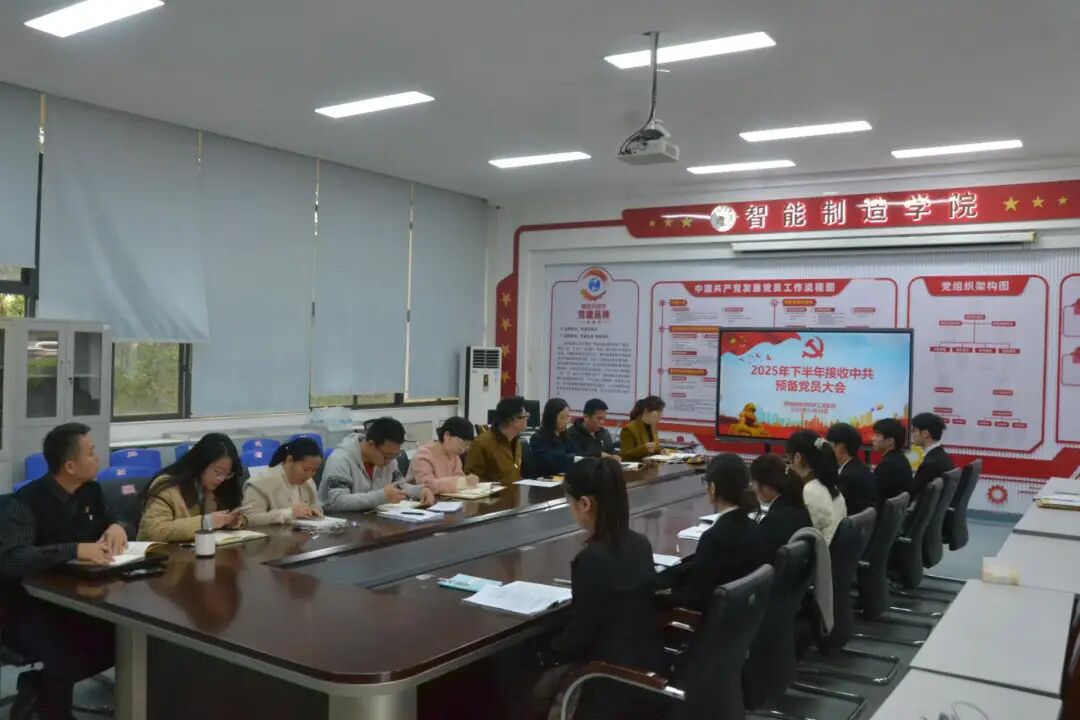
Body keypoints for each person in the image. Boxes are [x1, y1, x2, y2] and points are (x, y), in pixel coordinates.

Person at [0, 423, 121, 720]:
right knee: (66, 649)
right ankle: (53, 709)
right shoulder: (26, 502)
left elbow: (113, 519)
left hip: (80, 596)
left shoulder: (91, 491)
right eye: (91, 453)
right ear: (70, 466)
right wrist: (73, 549)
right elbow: (13, 558)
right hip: (27, 605)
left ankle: (39, 686)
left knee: (122, 639)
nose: (98, 458)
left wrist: (117, 526)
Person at [533, 458, 665, 720]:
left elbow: (579, 637)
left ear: (585, 504)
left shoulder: (591, 560)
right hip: (648, 667)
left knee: (529, 683)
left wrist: (543, 655)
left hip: (608, 678)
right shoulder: (640, 543)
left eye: (570, 503)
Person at [675, 454, 765, 613]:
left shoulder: (713, 538)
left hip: (712, 621)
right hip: (742, 618)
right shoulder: (754, 526)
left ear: (712, 488)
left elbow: (695, 599)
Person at [138, 433, 247, 542]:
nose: (221, 479)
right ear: (201, 464)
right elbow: (156, 531)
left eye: (227, 474)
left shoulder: (222, 485)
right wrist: (206, 522)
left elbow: (233, 515)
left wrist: (231, 521)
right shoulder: (168, 486)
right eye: (217, 472)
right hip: (160, 551)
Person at [319, 417, 434, 511]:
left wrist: (421, 491)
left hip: (372, 519)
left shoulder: (389, 459)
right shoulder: (340, 459)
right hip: (340, 524)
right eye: (386, 456)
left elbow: (400, 486)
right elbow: (337, 501)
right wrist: (381, 497)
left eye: (394, 456)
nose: (389, 461)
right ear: (371, 445)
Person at [242, 437, 323, 526]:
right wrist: (289, 513)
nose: (309, 475)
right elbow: (249, 518)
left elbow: (316, 505)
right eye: (305, 469)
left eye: (314, 470)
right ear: (289, 460)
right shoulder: (260, 482)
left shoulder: (308, 483)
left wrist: (314, 510)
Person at [786, 430, 847, 544]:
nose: (789, 465)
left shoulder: (810, 490)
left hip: (822, 553)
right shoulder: (830, 485)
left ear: (797, 457)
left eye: (788, 459)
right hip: (835, 551)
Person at [750, 453, 812, 561]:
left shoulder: (771, 523)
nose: (752, 487)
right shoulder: (801, 510)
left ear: (765, 486)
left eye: (753, 482)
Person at [405, 416, 479, 494]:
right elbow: (425, 485)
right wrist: (462, 482)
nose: (463, 450)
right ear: (447, 436)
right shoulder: (424, 454)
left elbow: (459, 478)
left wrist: (468, 481)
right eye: (462, 444)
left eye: (467, 446)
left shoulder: (454, 456)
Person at [464, 396, 528, 485]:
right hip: (492, 493)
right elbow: (471, 477)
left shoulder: (516, 440)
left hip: (514, 491)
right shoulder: (482, 443)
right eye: (525, 416)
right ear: (515, 421)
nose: (527, 419)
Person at [826, 422, 877, 516]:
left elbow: (833, 511)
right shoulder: (862, 467)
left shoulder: (847, 478)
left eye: (829, 445)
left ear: (840, 447)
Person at [528, 398, 579, 476]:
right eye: (562, 418)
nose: (566, 421)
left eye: (568, 417)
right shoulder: (538, 438)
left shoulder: (566, 436)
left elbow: (574, 452)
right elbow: (548, 461)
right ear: (551, 418)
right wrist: (572, 459)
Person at [910, 412, 954, 501]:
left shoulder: (931, 464)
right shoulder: (940, 456)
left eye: (914, 430)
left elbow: (911, 495)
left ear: (925, 433)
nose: (912, 434)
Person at [871, 418, 913, 506]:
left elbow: (873, 496)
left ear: (890, 441)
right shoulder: (900, 458)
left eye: (877, 435)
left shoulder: (887, 466)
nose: (872, 438)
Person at [619, 396, 665, 462]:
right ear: (646, 410)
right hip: (637, 467)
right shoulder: (629, 428)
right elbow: (624, 455)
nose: (660, 416)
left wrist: (660, 450)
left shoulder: (653, 428)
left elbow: (654, 448)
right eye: (658, 413)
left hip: (650, 466)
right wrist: (644, 448)